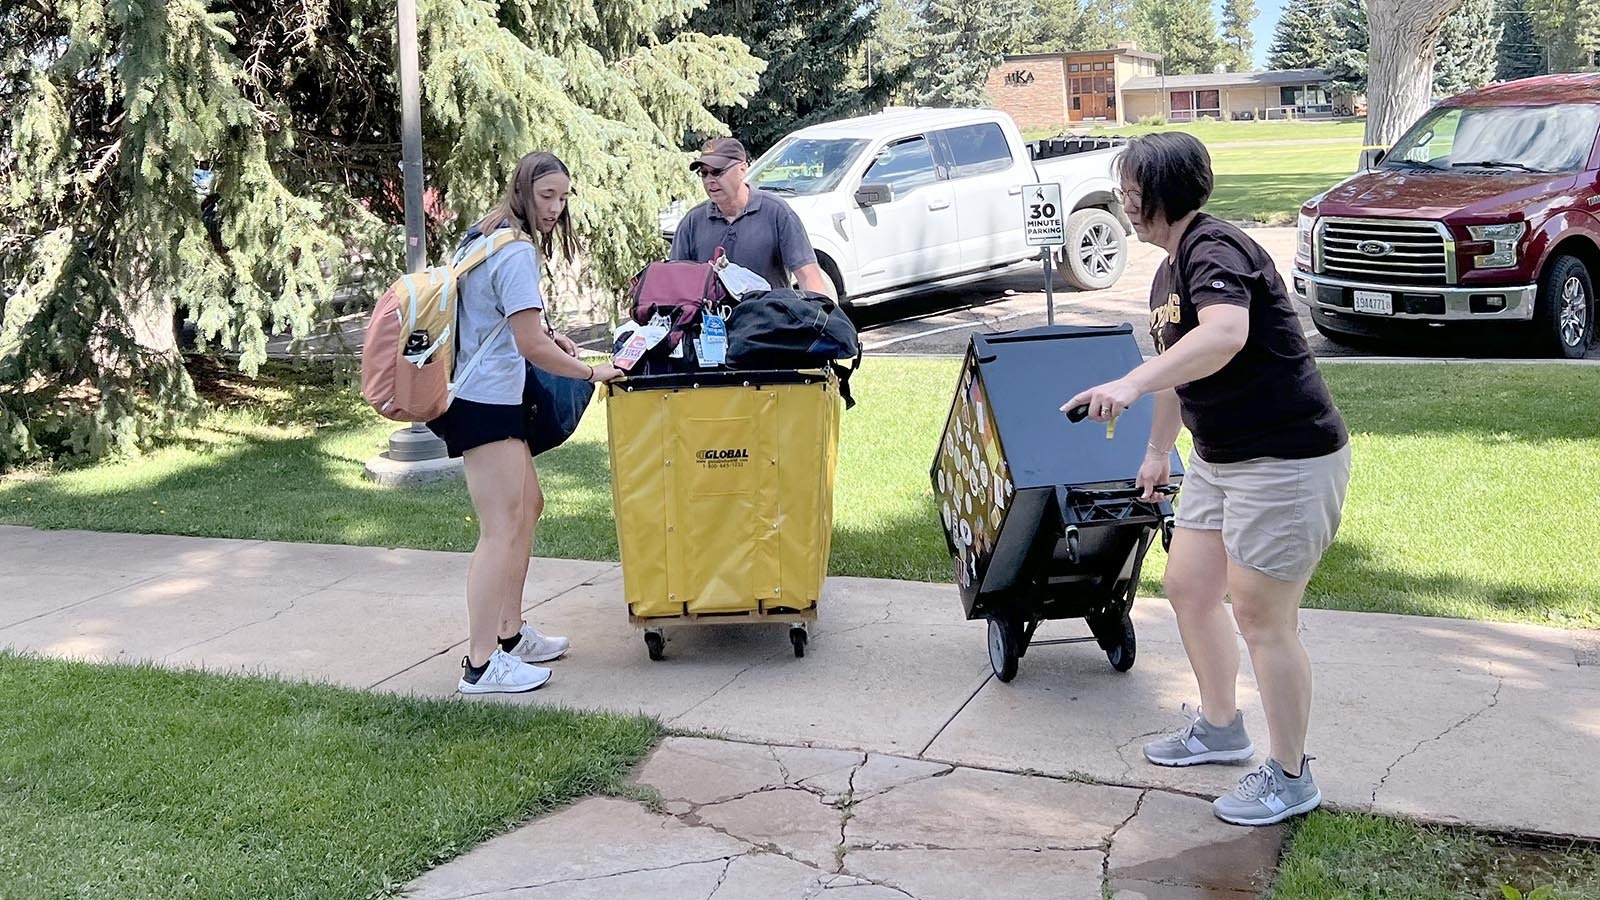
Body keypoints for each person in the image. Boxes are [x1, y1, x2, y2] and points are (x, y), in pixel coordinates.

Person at [1064, 132, 1351, 827]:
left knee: (1261, 616)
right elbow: (1181, 363)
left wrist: (1128, 382)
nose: (1125, 203)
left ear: (1161, 192)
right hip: (1221, 461)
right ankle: (1222, 728)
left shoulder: (1214, 249)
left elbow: (1222, 335)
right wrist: (1159, 453)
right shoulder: (1169, 271)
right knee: (1191, 587)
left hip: (1284, 460)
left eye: (1132, 190)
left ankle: (1290, 775)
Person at [427, 151, 623, 695]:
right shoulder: (512, 251)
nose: (556, 208)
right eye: (547, 197)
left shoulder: (482, 235)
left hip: (490, 397)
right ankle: (482, 664)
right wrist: (592, 370)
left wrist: (551, 336)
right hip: (482, 402)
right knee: (499, 529)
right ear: (522, 191)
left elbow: (506, 321)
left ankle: (510, 636)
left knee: (527, 507)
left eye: (563, 198)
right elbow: (528, 343)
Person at [669, 137, 836, 298]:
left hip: (769, 322)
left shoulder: (777, 213)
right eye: (704, 174)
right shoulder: (692, 222)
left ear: (742, 169)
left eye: (718, 172)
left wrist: (821, 320)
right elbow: (675, 284)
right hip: (712, 323)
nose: (710, 180)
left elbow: (809, 276)